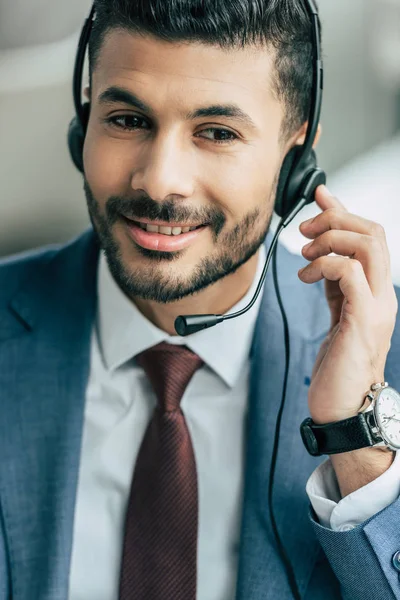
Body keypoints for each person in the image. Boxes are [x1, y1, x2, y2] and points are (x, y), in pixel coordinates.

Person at [0, 1, 399, 599]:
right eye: (128, 120)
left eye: (217, 133)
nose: (160, 181)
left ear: (297, 154)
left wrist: (354, 438)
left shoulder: (385, 359)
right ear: (83, 123)